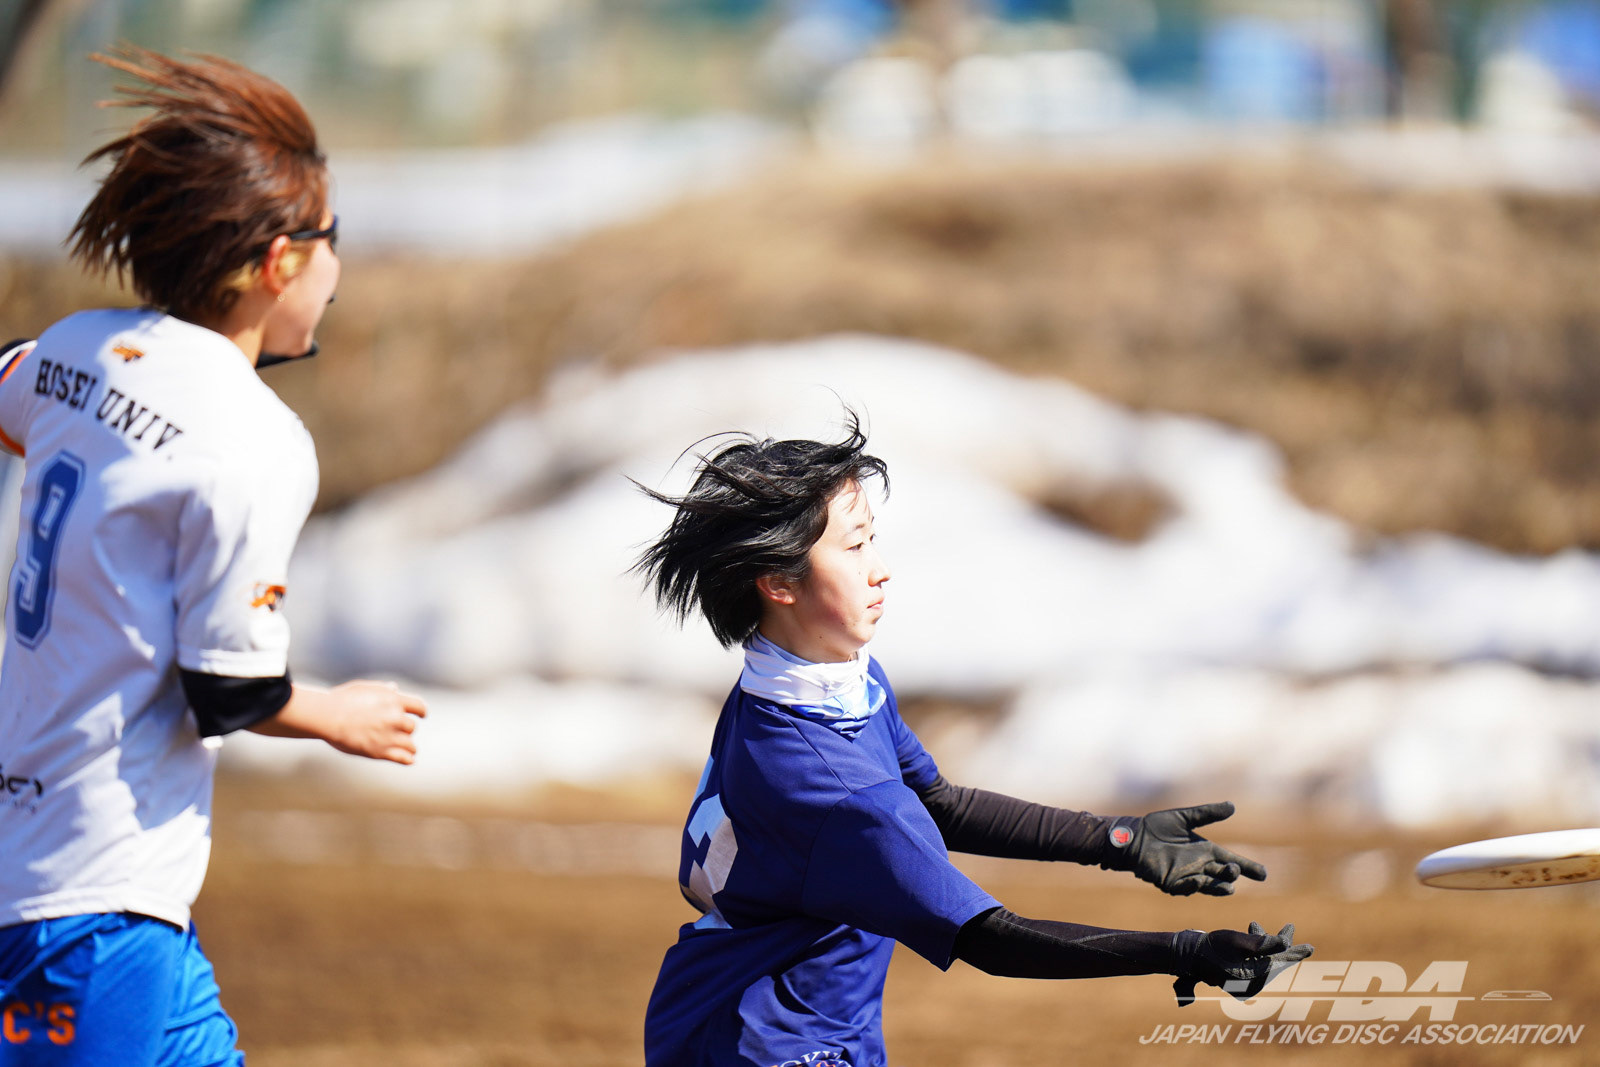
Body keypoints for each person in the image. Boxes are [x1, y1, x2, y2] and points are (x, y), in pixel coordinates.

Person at [635, 415, 1312, 1066]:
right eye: (854, 546)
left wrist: (1120, 840)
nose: (880, 569)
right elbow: (991, 938)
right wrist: (1183, 952)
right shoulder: (831, 786)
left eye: (872, 540)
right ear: (779, 582)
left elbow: (938, 805)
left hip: (793, 1018)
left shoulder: (820, 685)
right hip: (763, 1044)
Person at [0, 47, 425, 1065]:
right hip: (89, 898)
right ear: (279, 261)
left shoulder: (74, 348)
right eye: (331, 241)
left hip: (89, 876)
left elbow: (16, 391)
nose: (337, 270)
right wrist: (338, 714)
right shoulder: (255, 439)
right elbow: (227, 688)